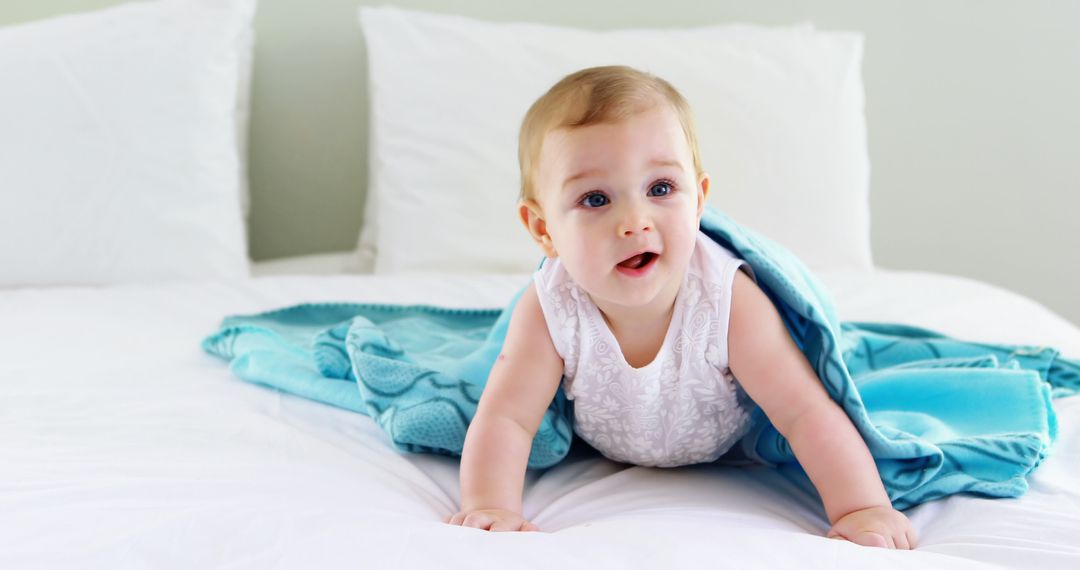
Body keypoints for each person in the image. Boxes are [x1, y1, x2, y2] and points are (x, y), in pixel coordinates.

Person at [443, 65, 917, 550]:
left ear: (698, 201)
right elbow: (508, 417)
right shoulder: (550, 309)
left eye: (661, 189)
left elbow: (803, 413)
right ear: (543, 230)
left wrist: (862, 508)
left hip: (733, 442)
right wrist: (493, 506)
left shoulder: (728, 302)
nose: (634, 221)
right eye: (595, 198)